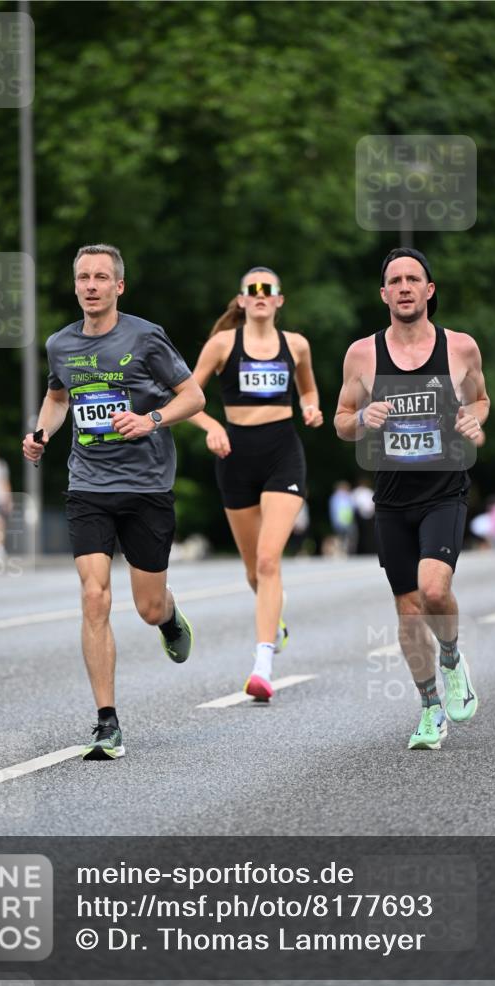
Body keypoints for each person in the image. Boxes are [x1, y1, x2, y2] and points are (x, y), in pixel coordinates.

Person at [22, 243, 204, 760]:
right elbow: (59, 399)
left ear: (118, 286)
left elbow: (194, 396)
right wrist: (41, 433)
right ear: (75, 285)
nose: (92, 285)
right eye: (84, 277)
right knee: (94, 595)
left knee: (146, 606)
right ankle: (107, 722)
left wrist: (150, 420)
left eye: (102, 277)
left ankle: (168, 617)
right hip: (89, 485)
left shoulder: (145, 337)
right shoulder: (60, 344)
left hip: (146, 485)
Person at [334, 247, 490, 750]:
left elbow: (482, 398)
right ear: (384, 294)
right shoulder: (362, 354)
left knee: (434, 592)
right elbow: (340, 419)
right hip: (392, 497)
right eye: (395, 280)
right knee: (406, 608)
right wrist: (360, 419)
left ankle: (451, 657)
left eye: (413, 279)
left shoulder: (460, 348)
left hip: (445, 489)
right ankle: (429, 708)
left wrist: (474, 418)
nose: (404, 286)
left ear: (429, 290)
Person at [189, 266, 323, 701]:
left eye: (270, 289)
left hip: (283, 455)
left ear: (280, 300)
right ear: (242, 300)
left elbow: (309, 391)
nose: (262, 295)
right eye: (254, 289)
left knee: (269, 561)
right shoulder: (223, 344)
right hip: (235, 458)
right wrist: (210, 425)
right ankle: (276, 622)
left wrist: (310, 408)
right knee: (253, 570)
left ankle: (262, 665)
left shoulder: (296, 345)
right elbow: (187, 399)